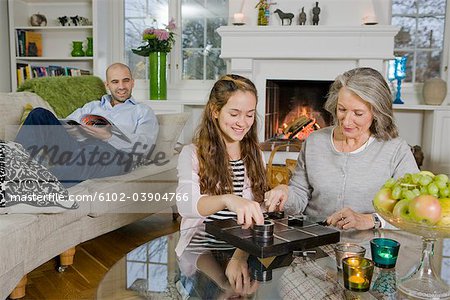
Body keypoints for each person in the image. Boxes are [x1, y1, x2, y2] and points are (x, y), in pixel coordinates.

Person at [264, 67, 419, 230]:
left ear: (377, 112)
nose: (346, 121)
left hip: (369, 245)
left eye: (358, 113)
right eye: (342, 109)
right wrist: (285, 193)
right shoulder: (315, 141)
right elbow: (300, 195)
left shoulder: (395, 149)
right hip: (314, 238)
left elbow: (414, 208)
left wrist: (370, 220)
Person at [175, 74, 267, 292]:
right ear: (215, 111)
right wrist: (228, 199)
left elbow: (258, 208)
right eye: (234, 113)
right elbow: (186, 205)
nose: (242, 123)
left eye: (249, 115)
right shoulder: (192, 154)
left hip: (243, 241)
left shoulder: (255, 154)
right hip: (201, 241)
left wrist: (240, 254)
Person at [15, 62, 159, 187]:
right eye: (115, 82)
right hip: (76, 148)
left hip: (114, 154)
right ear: (107, 85)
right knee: (39, 114)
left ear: (132, 82)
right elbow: (66, 123)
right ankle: (12, 169)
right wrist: (72, 128)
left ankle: (35, 183)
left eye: (125, 81)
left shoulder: (142, 111)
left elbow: (144, 146)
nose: (121, 86)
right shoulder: (92, 106)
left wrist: (109, 137)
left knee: (94, 150)